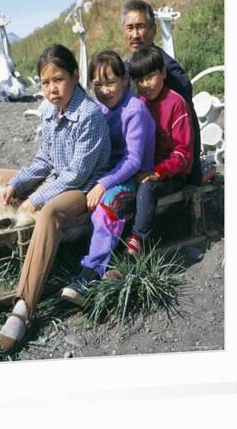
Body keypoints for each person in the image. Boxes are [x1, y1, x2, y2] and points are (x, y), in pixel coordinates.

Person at [0, 44, 111, 355]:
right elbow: (44, 159)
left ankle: (23, 308)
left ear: (75, 75)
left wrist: (37, 198)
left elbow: (76, 175)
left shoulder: (90, 114)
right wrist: (17, 184)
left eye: (58, 79)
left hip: (83, 190)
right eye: (45, 82)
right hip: (59, 179)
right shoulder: (49, 112)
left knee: (49, 212)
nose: (52, 89)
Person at [60, 50, 156, 306]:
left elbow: (133, 160)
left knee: (107, 205)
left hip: (131, 178)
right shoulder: (100, 109)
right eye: (98, 85)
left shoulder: (134, 110)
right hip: (107, 172)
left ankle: (91, 271)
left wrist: (103, 184)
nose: (104, 90)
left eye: (110, 82)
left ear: (125, 79)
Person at [121, 0, 202, 186]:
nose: (135, 35)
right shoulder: (125, 70)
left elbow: (189, 127)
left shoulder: (170, 72)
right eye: (129, 28)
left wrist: (193, 176)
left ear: (153, 30)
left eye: (140, 27)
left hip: (167, 168)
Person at [125, 45, 194, 255]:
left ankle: (137, 240)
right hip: (147, 168)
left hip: (172, 174)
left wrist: (157, 173)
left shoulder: (176, 104)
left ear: (163, 72)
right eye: (140, 80)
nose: (145, 85)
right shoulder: (140, 103)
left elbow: (184, 153)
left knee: (147, 189)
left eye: (151, 76)